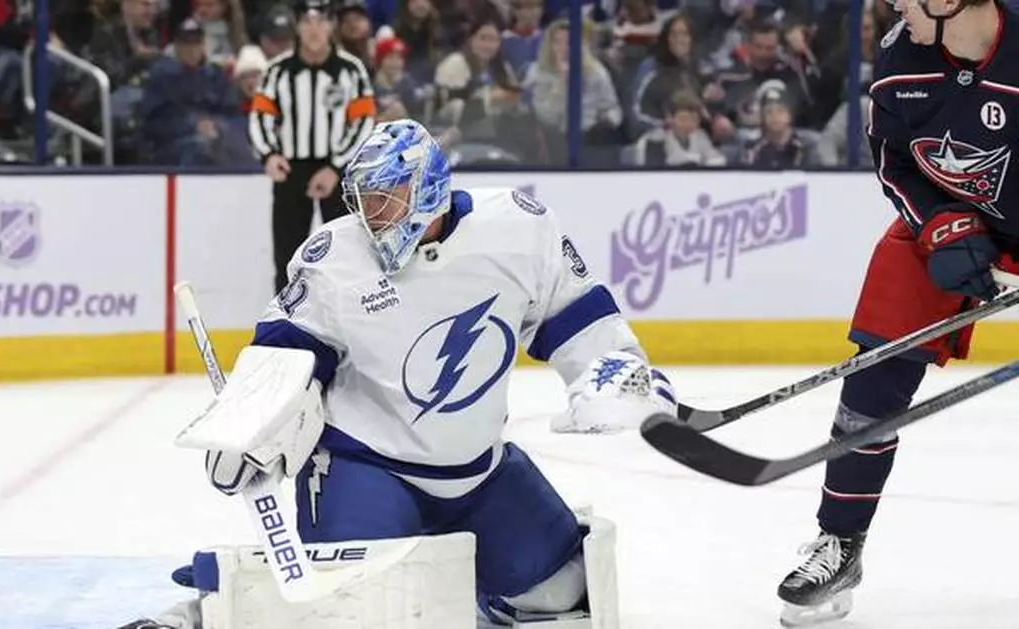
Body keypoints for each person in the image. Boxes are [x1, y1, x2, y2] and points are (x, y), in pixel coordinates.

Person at [128, 119, 677, 629]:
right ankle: (201, 613)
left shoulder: (518, 227)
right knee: (344, 602)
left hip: (478, 473)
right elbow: (283, 353)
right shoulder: (334, 257)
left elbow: (575, 313)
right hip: (365, 466)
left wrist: (616, 371)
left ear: (430, 188)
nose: (373, 216)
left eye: (386, 198)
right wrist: (248, 426)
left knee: (558, 593)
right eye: (364, 201)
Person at [775, 0, 1019, 625]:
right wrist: (939, 222)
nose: (896, 7)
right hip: (956, 221)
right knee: (875, 374)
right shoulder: (897, 59)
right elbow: (894, 159)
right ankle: (840, 542)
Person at [248, 0, 376, 293]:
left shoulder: (351, 70)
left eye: (321, 20)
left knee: (348, 257)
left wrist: (335, 166)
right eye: (306, 20)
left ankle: (347, 327)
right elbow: (259, 116)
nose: (314, 29)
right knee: (288, 260)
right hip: (291, 170)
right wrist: (269, 154)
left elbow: (364, 122)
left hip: (341, 173)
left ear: (332, 25)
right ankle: (284, 330)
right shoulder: (277, 71)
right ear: (297, 25)